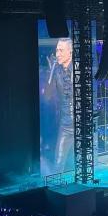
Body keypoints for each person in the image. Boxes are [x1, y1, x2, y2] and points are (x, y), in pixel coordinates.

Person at [44, 38, 74, 174]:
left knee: (82, 163)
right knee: (58, 163)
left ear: (70, 52)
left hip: (81, 125)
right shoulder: (56, 72)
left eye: (61, 50)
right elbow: (47, 96)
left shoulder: (79, 69)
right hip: (66, 125)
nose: (57, 54)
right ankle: (59, 185)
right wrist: (51, 72)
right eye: (57, 50)